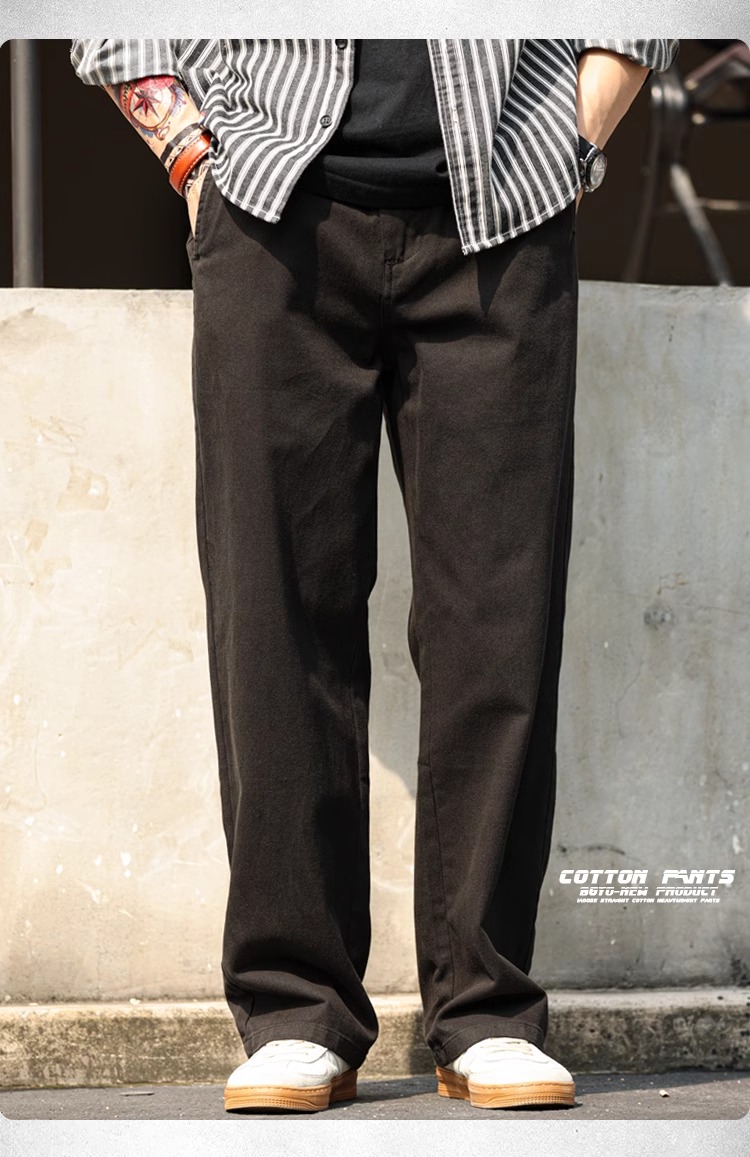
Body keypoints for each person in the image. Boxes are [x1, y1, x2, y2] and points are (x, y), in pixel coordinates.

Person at [70, 37, 679, 1114]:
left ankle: (486, 1009)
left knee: (498, 622)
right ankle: (295, 1011)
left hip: (505, 208)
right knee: (274, 619)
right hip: (270, 204)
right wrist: (190, 155)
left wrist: (574, 135)